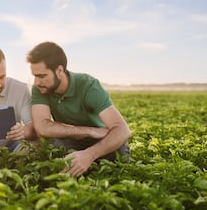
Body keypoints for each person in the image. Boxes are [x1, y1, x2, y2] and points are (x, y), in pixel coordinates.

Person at [26, 41, 131, 177]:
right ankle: (77, 168)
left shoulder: (88, 86)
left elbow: (123, 130)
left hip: (100, 140)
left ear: (59, 70)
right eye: (34, 76)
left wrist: (89, 154)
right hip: (74, 139)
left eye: (42, 76)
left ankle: (87, 165)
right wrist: (89, 131)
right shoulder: (40, 88)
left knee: (119, 150)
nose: (36, 82)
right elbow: (42, 128)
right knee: (42, 144)